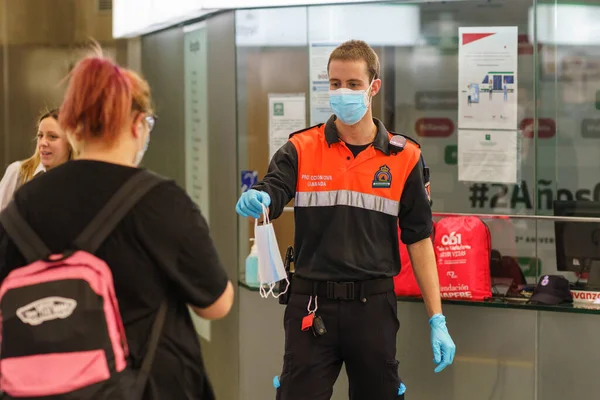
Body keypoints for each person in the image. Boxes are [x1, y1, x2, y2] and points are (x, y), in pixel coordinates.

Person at [0, 51, 234, 399]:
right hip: (146, 384)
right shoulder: (161, 201)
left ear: (73, 127)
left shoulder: (23, 204)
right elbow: (216, 304)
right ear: (138, 125)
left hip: (43, 389)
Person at [236, 40, 456, 400]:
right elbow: (275, 188)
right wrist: (261, 197)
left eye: (353, 84)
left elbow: (419, 240)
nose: (342, 92)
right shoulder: (301, 148)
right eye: (334, 83)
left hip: (373, 308)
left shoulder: (405, 157)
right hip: (311, 304)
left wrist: (438, 319)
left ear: (374, 86)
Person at [0, 108, 72, 211]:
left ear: (71, 142)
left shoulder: (77, 181)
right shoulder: (19, 172)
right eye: (40, 135)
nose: (42, 143)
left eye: (52, 136)